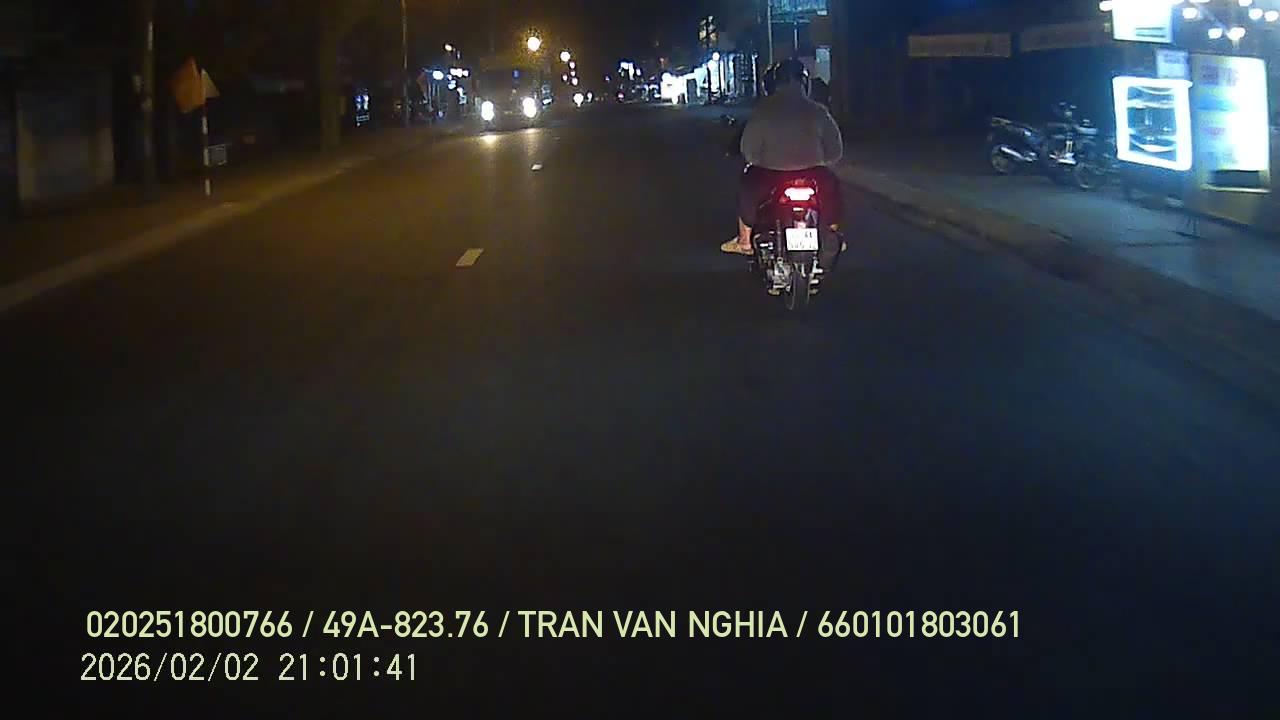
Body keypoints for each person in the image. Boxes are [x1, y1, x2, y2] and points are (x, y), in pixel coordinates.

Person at [721, 59, 844, 260]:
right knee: (832, 187)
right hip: (814, 174)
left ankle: (744, 240)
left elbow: (749, 151)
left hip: (768, 174)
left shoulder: (763, 110)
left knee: (748, 184)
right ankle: (832, 234)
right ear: (805, 83)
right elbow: (835, 151)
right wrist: (821, 161)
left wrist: (763, 161)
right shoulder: (817, 111)